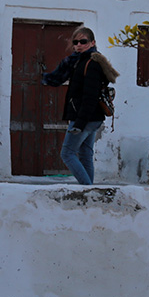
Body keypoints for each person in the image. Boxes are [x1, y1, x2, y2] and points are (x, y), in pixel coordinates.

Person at [42, 26, 119, 185]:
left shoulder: (92, 64)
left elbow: (90, 96)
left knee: (67, 154)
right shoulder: (80, 61)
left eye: (83, 41)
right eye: (75, 42)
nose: (78, 45)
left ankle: (87, 188)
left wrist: (79, 123)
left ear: (92, 43)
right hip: (91, 118)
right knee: (85, 154)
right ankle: (89, 191)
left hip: (85, 118)